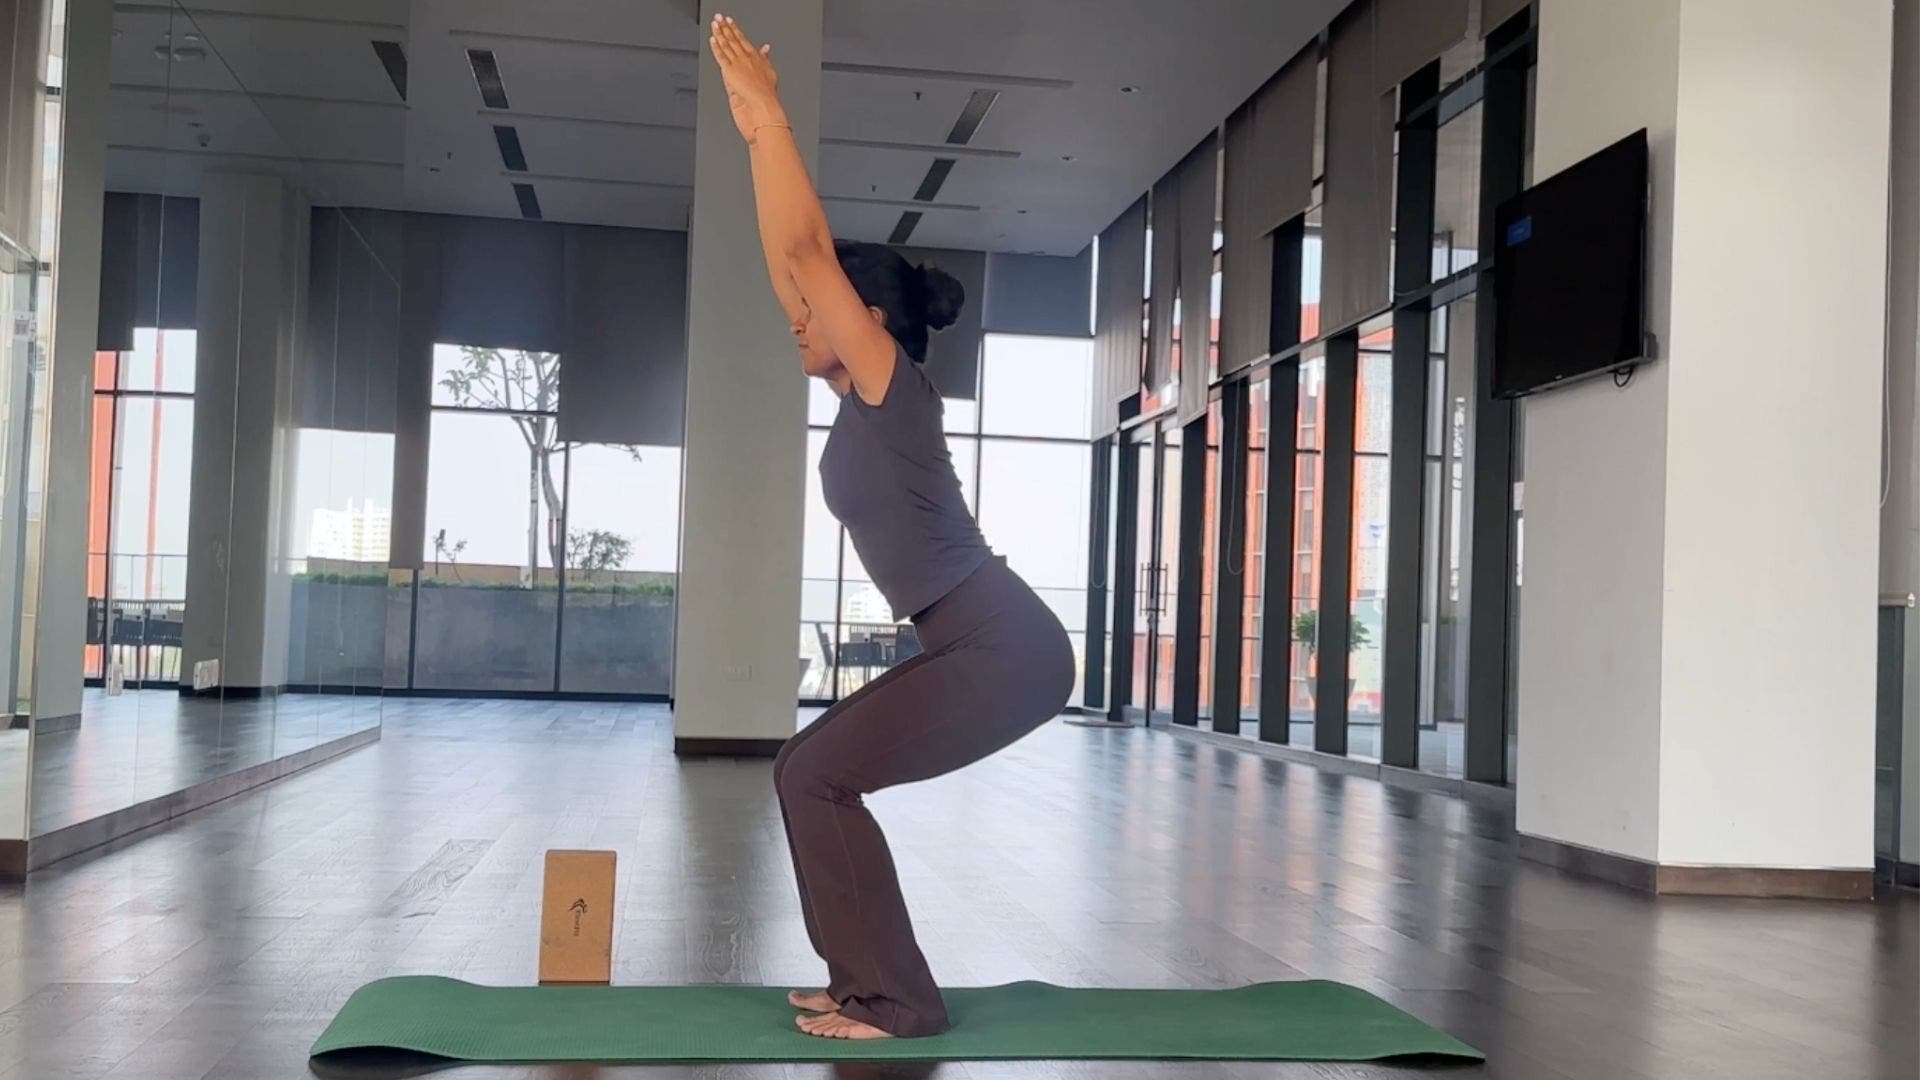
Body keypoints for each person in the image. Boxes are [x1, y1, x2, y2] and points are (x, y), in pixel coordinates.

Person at [707, 13, 1076, 1042]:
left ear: (868, 322)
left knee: (816, 772)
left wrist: (770, 125)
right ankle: (860, 976)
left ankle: (897, 999)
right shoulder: (860, 396)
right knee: (804, 769)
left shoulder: (892, 386)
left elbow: (805, 248)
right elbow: (793, 265)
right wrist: (750, 138)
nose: (795, 315)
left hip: (1004, 646)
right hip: (977, 641)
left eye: (815, 310)